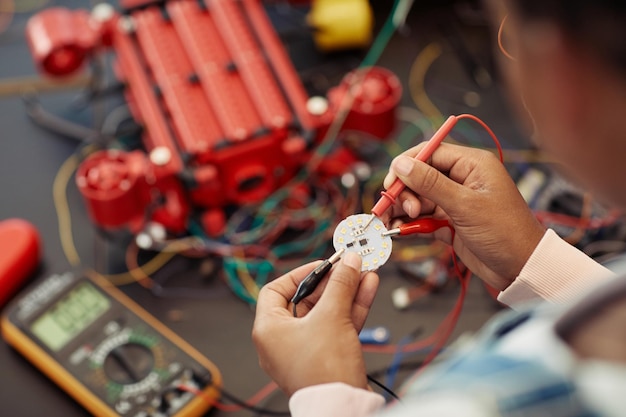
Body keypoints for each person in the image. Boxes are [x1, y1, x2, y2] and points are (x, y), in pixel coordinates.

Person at [252, 0, 626, 415]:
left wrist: (324, 392)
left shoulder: (480, 398)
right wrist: (533, 262)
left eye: (507, 40)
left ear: (561, 72)